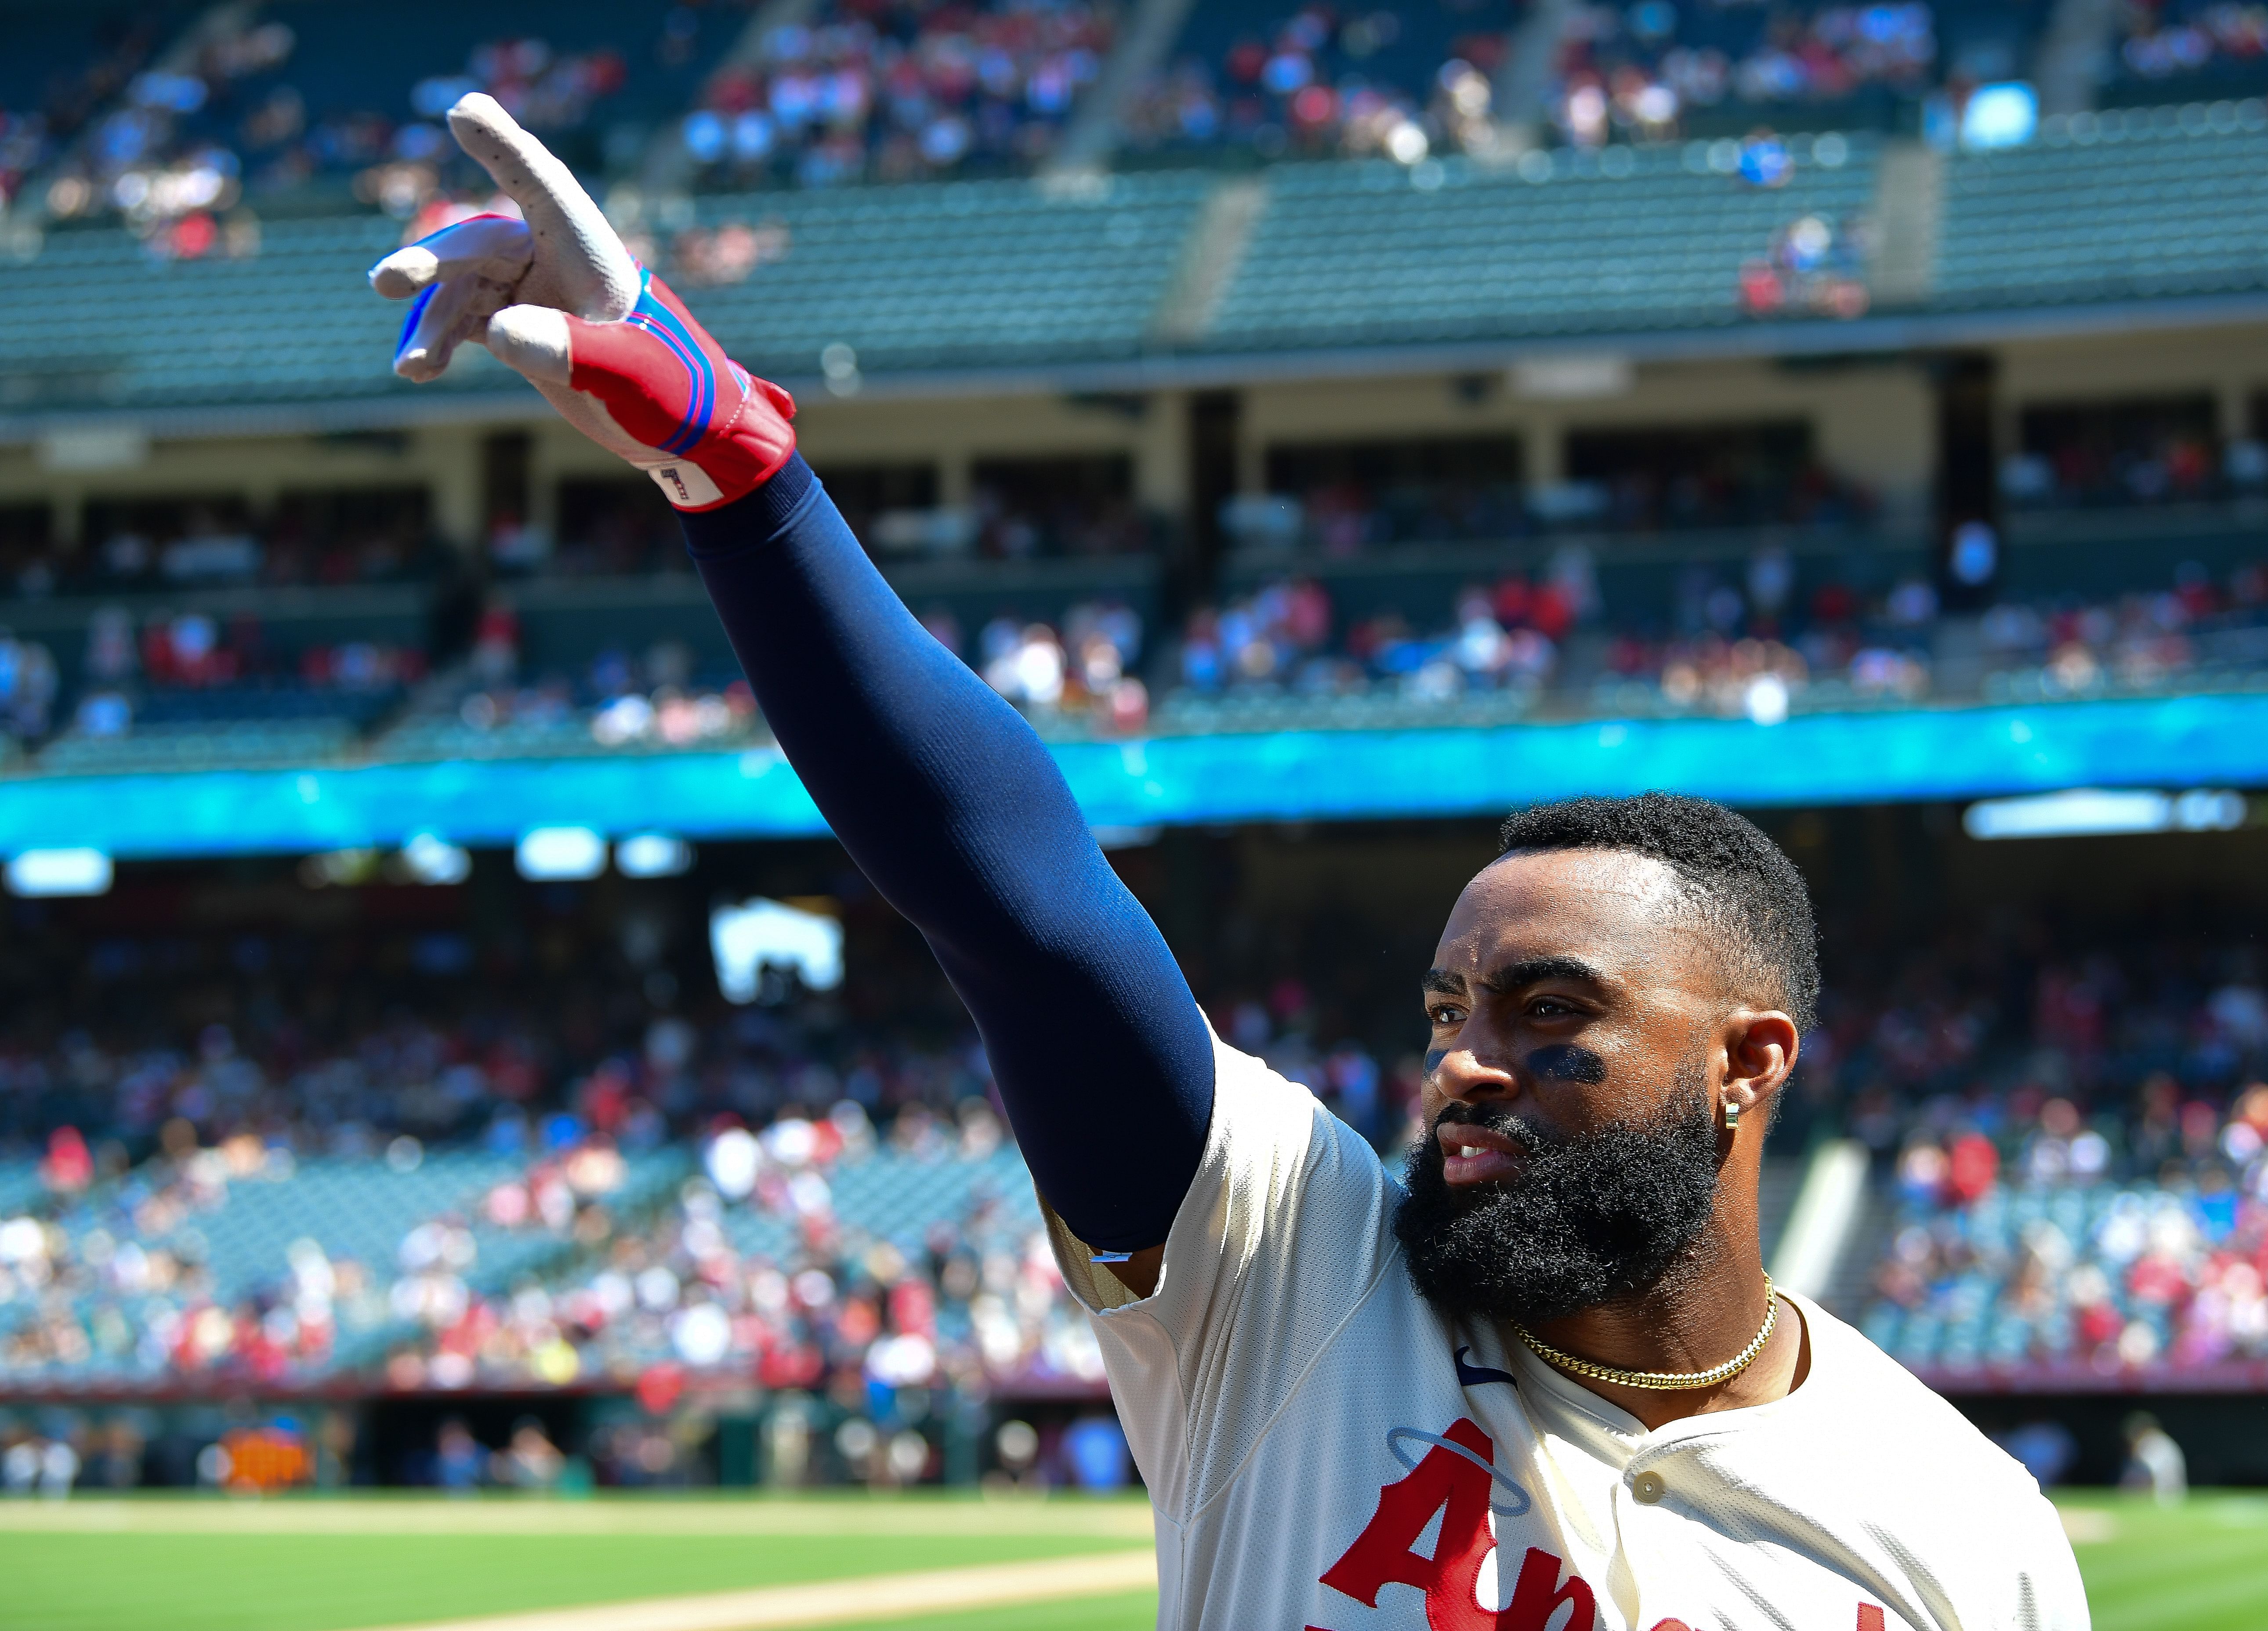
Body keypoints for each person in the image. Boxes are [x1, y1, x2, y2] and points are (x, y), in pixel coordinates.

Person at [370, 96, 2089, 1631]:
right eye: (1448, 1010)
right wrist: (736, 466)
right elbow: (1028, 913)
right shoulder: (1295, 1269)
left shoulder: (1964, 1532)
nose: (1465, 1064)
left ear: (1747, 1061)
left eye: (1550, 1009)